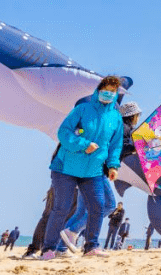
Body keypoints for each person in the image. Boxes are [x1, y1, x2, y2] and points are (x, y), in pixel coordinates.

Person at [39, 75, 125, 260]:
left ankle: (91, 246)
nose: (108, 94)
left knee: (98, 207)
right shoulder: (82, 109)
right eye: (106, 90)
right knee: (61, 208)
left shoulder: (115, 118)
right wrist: (83, 144)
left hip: (92, 170)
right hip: (65, 168)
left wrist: (113, 166)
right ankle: (48, 249)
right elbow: (64, 132)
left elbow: (116, 145)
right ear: (98, 90)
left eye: (112, 92)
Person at [61, 100, 142, 253]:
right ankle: (74, 232)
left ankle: (61, 246)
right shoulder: (123, 128)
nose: (138, 119)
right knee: (109, 205)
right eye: (138, 115)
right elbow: (118, 146)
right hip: (95, 170)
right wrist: (135, 147)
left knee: (81, 211)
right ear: (132, 116)